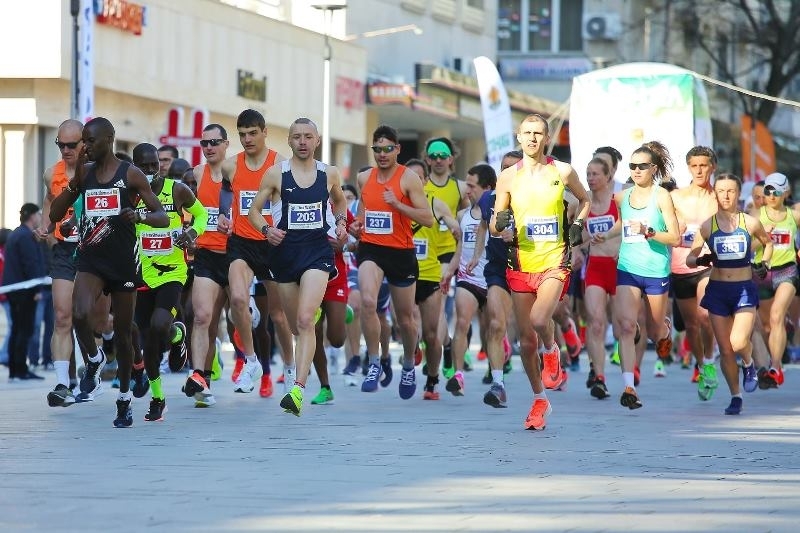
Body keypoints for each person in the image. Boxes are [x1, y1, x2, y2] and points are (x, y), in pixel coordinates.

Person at [49, 117, 169, 428]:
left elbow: (162, 217)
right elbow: (55, 213)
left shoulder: (129, 174)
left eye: (90, 141)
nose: (84, 146)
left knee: (127, 335)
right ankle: (93, 360)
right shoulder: (84, 174)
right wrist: (72, 187)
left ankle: (125, 398)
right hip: (92, 260)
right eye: (82, 141)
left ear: (109, 140)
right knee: (78, 313)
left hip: (123, 263)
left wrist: (137, 213)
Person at [490, 114, 590, 430]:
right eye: (527, 133)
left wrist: (577, 224)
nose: (533, 138)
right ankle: (539, 399)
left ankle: (552, 349)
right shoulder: (507, 176)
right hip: (520, 264)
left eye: (539, 133)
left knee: (538, 320)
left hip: (554, 261)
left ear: (546, 138)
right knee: (525, 342)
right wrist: (499, 223)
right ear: (518, 137)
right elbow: (494, 222)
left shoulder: (562, 171)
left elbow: (585, 200)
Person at [247, 117, 347, 415]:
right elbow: (253, 211)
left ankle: (298, 390)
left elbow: (339, 202)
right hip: (284, 256)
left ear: (317, 141)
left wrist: (340, 223)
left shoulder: (329, 174)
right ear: (289, 141)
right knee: (295, 325)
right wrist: (266, 231)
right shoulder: (276, 174)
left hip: (318, 252)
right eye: (297, 137)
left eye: (308, 137)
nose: (303, 142)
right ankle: (311, 316)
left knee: (305, 320)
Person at [593, 141, 680, 409]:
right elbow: (623, 224)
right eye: (633, 166)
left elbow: (675, 237)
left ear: (653, 168)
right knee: (626, 326)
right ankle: (629, 387)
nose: (637, 170)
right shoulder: (623, 196)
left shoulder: (662, 196)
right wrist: (606, 234)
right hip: (628, 268)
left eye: (642, 166)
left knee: (655, 335)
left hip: (655, 270)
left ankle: (664, 327)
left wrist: (650, 232)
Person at [352, 125, 434, 399]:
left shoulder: (408, 178)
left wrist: (398, 205)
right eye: (378, 149)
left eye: (388, 149)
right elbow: (362, 215)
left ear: (398, 149)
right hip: (371, 249)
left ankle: (409, 365)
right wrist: (356, 227)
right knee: (367, 302)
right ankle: (374, 361)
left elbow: (426, 218)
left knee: (406, 319)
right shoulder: (365, 178)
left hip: (401, 252)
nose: (383, 154)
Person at [213, 109, 288, 396]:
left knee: (279, 316)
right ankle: (251, 361)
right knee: (239, 300)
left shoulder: (279, 165)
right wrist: (222, 214)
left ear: (264, 132)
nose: (247, 139)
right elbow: (226, 190)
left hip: (271, 244)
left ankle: (290, 368)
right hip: (241, 242)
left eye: (252, 133)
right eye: (242, 134)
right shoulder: (231, 166)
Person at [132, 143, 207, 422]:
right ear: (134, 168)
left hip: (172, 271)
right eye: (144, 166)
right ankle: (158, 397)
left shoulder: (176, 190)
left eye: (155, 165)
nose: (151, 171)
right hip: (141, 273)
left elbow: (201, 214)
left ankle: (176, 335)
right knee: (147, 338)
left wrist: (193, 233)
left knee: (158, 324)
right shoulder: (129, 194)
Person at [687, 173, 772, 414]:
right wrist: (701, 258)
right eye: (721, 190)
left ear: (738, 194)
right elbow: (690, 258)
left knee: (737, 342)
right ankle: (736, 396)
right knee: (724, 349)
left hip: (744, 289)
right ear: (715, 193)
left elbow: (768, 243)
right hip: (718, 291)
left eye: (730, 191)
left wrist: (764, 263)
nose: (725, 195)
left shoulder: (750, 223)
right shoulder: (708, 225)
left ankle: (749, 363)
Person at [36, 119, 84, 406]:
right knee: (63, 316)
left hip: (93, 250)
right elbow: (48, 200)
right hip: (65, 251)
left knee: (90, 318)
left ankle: (93, 364)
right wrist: (46, 226)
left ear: (84, 143)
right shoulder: (50, 173)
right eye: (60, 145)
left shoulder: (95, 172)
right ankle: (62, 384)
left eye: (71, 145)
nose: (65, 150)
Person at [405, 158, 460, 400]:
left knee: (432, 331)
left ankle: (432, 380)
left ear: (425, 181)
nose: (415, 181)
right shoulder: (397, 204)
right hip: (404, 272)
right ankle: (412, 349)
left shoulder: (436, 204)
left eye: (419, 176)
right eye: (410, 176)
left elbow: (456, 228)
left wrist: (456, 228)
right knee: (408, 323)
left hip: (430, 273)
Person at [670, 146, 719, 399]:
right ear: (689, 167)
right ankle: (702, 365)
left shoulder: (718, 197)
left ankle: (710, 358)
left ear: (713, 167)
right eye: (694, 166)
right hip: (681, 266)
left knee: (704, 316)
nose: (699, 170)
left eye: (704, 165)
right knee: (690, 324)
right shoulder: (676, 197)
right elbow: (667, 229)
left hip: (708, 265)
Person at [187, 124, 231, 406]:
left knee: (239, 318)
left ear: (226, 144)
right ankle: (201, 379)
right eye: (204, 143)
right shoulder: (197, 174)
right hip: (206, 254)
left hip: (236, 255)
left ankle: (249, 361)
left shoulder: (237, 173)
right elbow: (188, 211)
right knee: (203, 319)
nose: (209, 147)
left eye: (215, 142)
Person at [444, 163, 494, 397]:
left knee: (494, 328)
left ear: (488, 188)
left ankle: (497, 378)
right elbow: (459, 248)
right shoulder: (462, 215)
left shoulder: (499, 214)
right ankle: (459, 375)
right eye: (467, 186)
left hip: (493, 279)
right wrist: (449, 271)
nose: (467, 191)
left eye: (472, 187)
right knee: (461, 322)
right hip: (467, 277)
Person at [423, 138, 468, 375]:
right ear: (427, 159)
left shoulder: (460, 187)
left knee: (439, 307)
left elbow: (471, 216)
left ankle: (437, 348)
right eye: (434, 155)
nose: (439, 160)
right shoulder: (420, 186)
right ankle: (444, 345)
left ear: (451, 158)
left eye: (443, 155)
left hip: (449, 252)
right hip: (423, 251)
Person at [579, 157, 620, 400]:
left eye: (595, 174)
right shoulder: (583, 203)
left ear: (608, 177)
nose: (591, 178)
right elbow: (578, 235)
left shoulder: (620, 201)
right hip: (595, 266)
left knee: (622, 326)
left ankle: (629, 369)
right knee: (595, 322)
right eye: (588, 174)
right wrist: (577, 247)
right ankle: (600, 377)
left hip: (618, 266)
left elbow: (628, 228)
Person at [755, 172, 800, 388]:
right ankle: (775, 360)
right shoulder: (755, 215)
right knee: (766, 326)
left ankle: (775, 367)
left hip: (786, 271)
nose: (771, 195)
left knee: (776, 316)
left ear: (786, 193)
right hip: (762, 272)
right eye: (768, 190)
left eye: (777, 191)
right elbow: (748, 246)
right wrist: (763, 237)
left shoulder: (794, 215)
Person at [2, 203, 46, 382]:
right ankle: (20, 369)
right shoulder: (26, 236)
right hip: (24, 291)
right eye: (38, 215)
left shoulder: (15, 235)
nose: (39, 218)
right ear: (32, 216)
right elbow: (31, 265)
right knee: (24, 330)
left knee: (16, 329)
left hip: (14, 290)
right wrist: (36, 289)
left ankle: (15, 369)